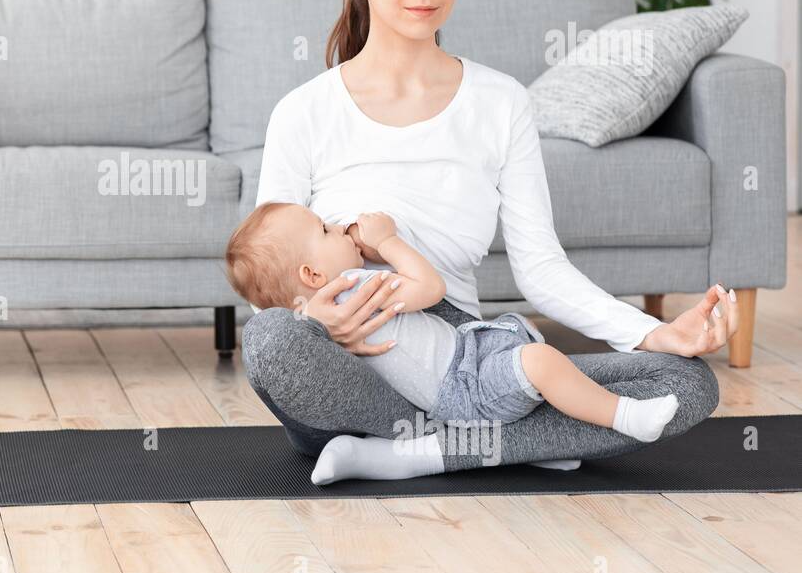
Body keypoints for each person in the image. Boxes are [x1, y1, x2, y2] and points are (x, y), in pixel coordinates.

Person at [240, 0, 737, 478]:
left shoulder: (501, 103)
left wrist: (653, 332)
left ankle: (415, 454)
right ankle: (513, 441)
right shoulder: (303, 112)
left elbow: (541, 269)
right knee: (269, 342)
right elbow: (273, 272)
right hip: (354, 373)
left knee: (685, 383)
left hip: (467, 362)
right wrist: (311, 318)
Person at [226, 204, 682, 483]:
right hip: (464, 387)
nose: (338, 227)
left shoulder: (339, 295)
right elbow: (428, 288)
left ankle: (527, 451)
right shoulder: (359, 286)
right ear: (311, 276)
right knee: (541, 362)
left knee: (675, 379)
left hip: (466, 361)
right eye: (325, 231)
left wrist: (308, 315)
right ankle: (627, 417)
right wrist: (387, 241)